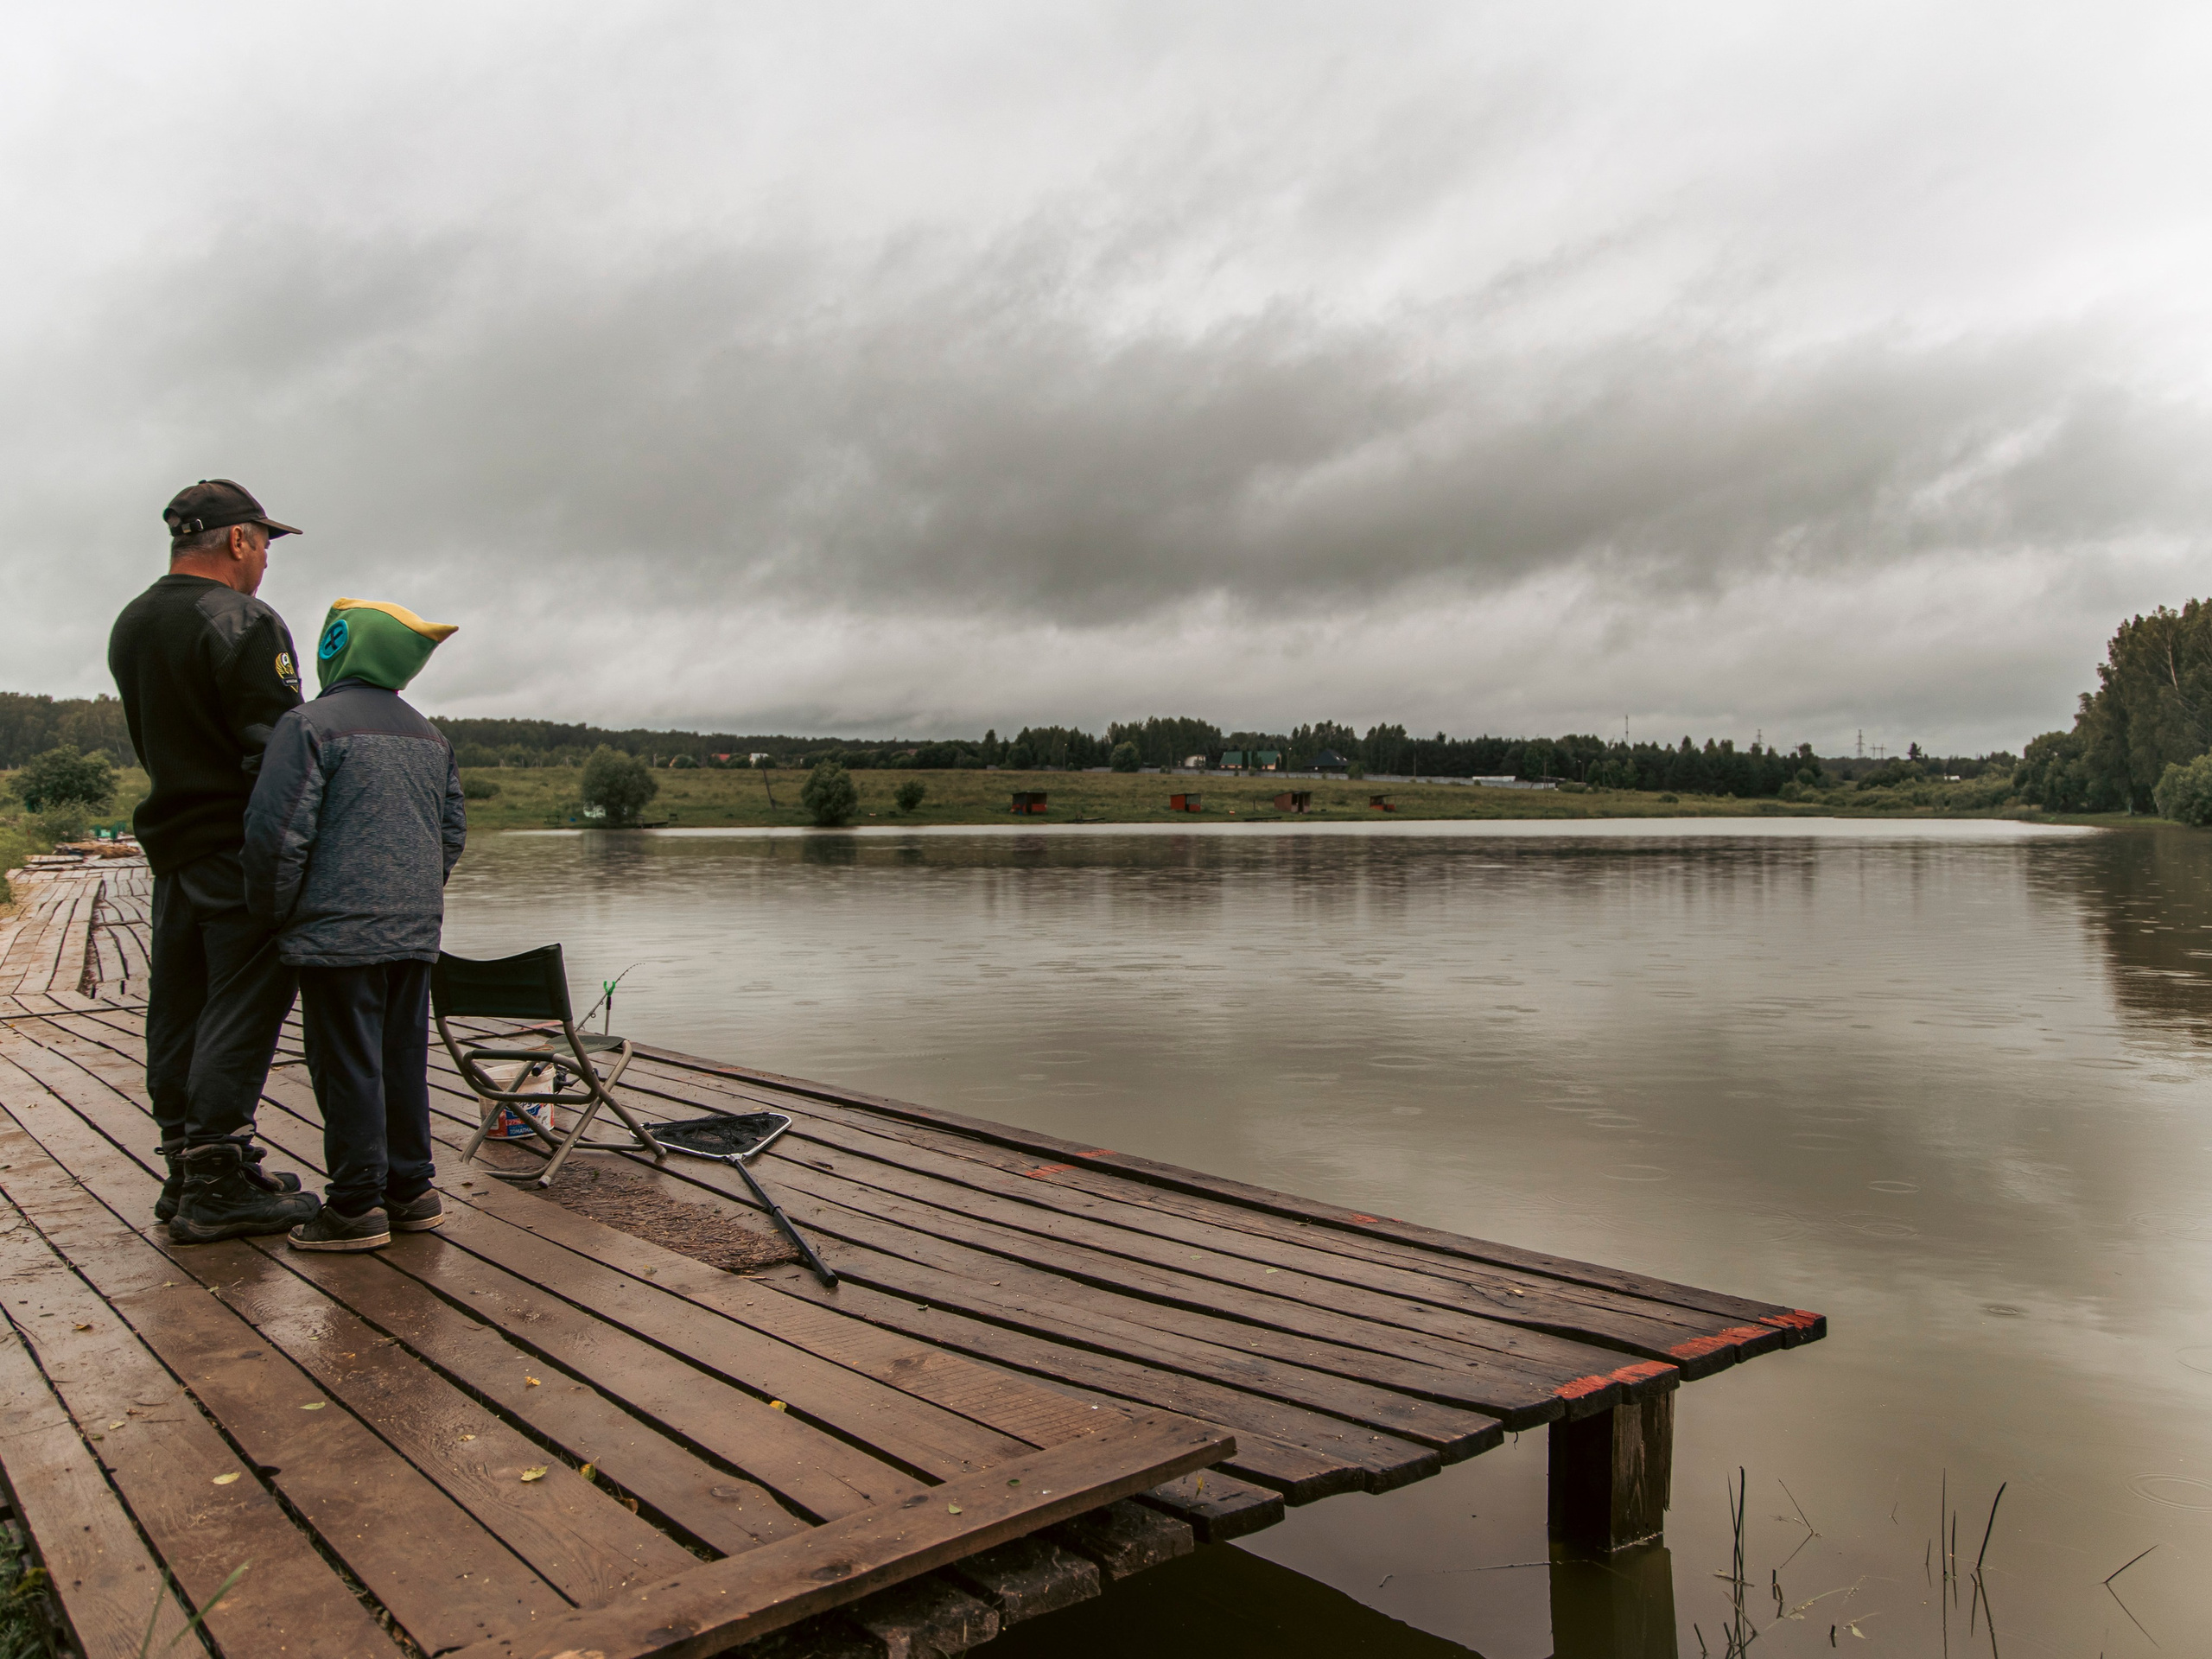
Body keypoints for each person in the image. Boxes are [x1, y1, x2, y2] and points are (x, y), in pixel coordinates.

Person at [108, 480, 320, 1243]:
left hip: (174, 841)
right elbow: (281, 751)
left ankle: (187, 1166)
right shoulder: (243, 619)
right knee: (243, 1000)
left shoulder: (133, 621)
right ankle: (218, 1181)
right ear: (237, 540)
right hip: (238, 845)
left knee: (181, 1001)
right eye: (264, 544)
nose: (266, 562)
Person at [244, 597, 466, 1251]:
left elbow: (277, 835)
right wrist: (412, 894)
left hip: (336, 934)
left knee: (346, 1066)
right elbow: (451, 833)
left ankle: (354, 1205)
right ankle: (412, 1191)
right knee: (401, 1058)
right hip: (415, 931)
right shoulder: (431, 736)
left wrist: (273, 914)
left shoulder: (309, 725)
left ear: (338, 645)